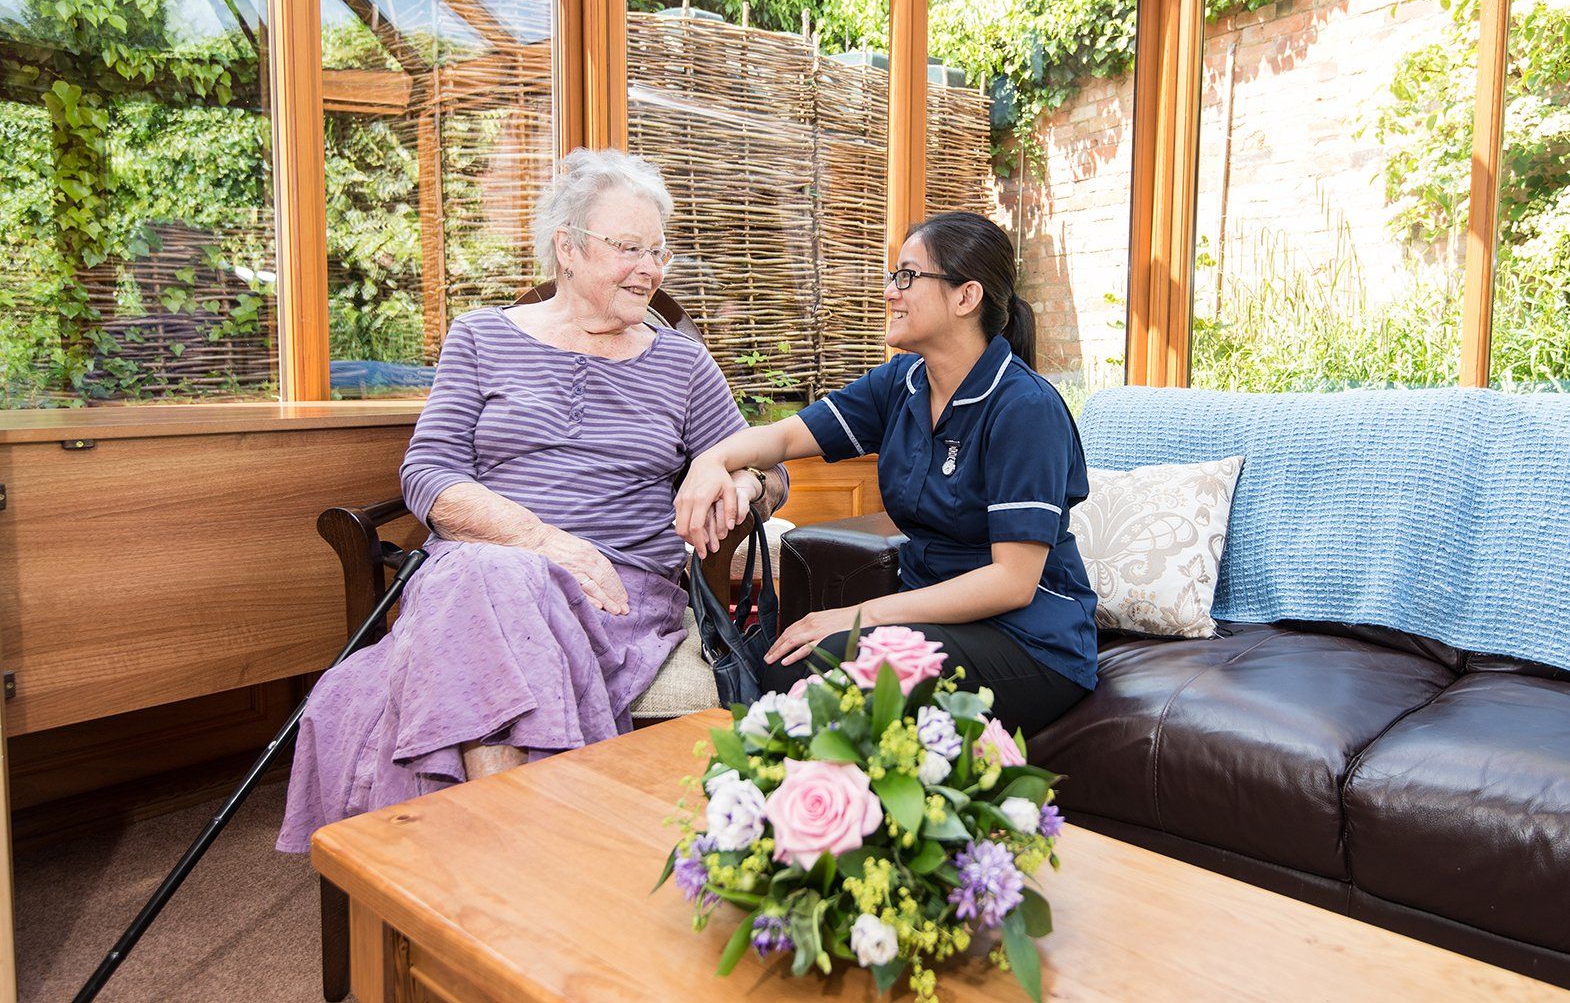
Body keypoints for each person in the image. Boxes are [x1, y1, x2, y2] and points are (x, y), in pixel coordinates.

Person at [278, 149, 786, 851]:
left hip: (615, 599)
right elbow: (427, 474)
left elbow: (769, 470)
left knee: (417, 639)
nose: (649, 268)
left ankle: (481, 857)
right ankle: (525, 845)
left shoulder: (680, 362)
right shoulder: (481, 338)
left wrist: (736, 479)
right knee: (488, 571)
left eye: (658, 251)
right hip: (481, 575)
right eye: (629, 248)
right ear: (568, 248)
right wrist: (548, 544)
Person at [674, 211, 1095, 736]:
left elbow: (1012, 582)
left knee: (831, 670)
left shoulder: (1024, 408)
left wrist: (861, 615)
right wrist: (711, 461)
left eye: (908, 277)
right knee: (788, 664)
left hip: (1028, 641)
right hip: (934, 621)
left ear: (966, 297)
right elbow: (784, 437)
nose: (891, 292)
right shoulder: (904, 381)